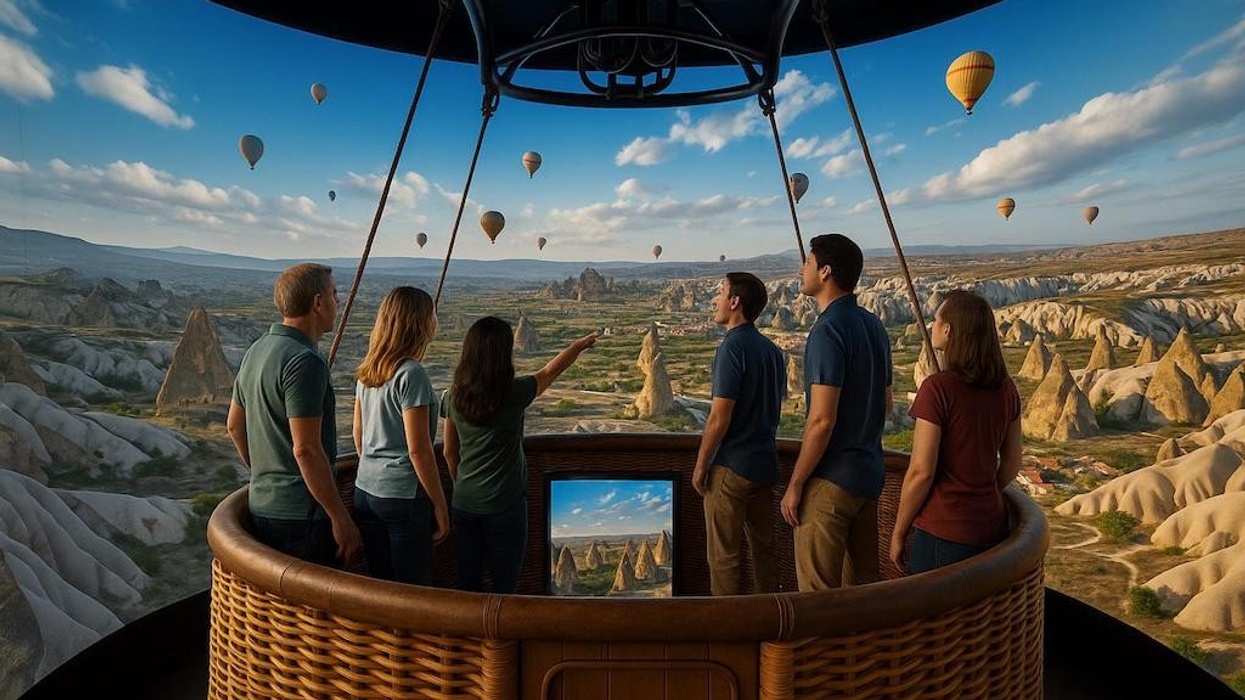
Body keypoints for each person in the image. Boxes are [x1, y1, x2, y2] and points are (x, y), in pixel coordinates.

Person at [442, 317, 597, 593]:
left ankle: (471, 636)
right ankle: (499, 638)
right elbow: (551, 371)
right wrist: (577, 346)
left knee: (468, 584)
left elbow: (449, 452)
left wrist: (462, 485)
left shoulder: (452, 397)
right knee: (505, 586)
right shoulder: (514, 392)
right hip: (505, 505)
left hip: (464, 504)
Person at [227, 263, 361, 567]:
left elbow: (234, 426)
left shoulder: (258, 349)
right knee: (319, 607)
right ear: (317, 302)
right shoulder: (305, 361)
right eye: (334, 293)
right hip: (303, 516)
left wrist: (268, 473)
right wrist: (340, 517)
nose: (338, 302)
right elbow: (306, 449)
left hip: (262, 506)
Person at [780, 234, 892, 591]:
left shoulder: (827, 330)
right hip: (869, 476)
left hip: (831, 480)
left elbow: (821, 420)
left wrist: (796, 485)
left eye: (808, 263)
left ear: (825, 271)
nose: (802, 269)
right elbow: (887, 405)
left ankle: (818, 651)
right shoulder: (873, 325)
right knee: (862, 592)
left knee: (818, 597)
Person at [889, 290, 1023, 573]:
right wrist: (981, 494)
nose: (932, 326)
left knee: (931, 615)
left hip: (943, 532)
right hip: (992, 528)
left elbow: (921, 471)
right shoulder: (1006, 388)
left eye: (936, 320)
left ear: (948, 330)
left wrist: (899, 532)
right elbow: (1012, 463)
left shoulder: (937, 389)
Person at [693, 272, 786, 595]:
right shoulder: (772, 351)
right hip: (765, 465)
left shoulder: (731, 348)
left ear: (735, 302)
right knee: (765, 551)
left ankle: (728, 633)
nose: (715, 300)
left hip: (732, 466)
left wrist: (701, 465)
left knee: (724, 558)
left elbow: (719, 416)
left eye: (720, 292)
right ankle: (769, 624)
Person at [352, 286, 451, 585]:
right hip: (400, 496)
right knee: (413, 591)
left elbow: (359, 435)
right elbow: (418, 450)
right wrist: (440, 504)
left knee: (382, 585)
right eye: (432, 314)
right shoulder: (411, 374)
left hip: (364, 491)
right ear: (419, 323)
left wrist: (375, 471)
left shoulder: (368, 371)